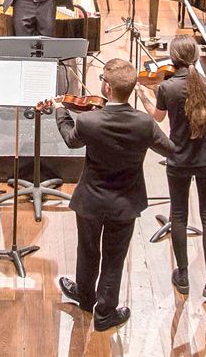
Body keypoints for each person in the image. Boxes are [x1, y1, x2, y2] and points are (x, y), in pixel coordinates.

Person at [53, 58, 175, 331]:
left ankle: (85, 297)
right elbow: (169, 150)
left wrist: (61, 112)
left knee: (87, 250)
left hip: (91, 199)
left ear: (107, 88)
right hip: (125, 202)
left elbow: (70, 139)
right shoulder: (144, 124)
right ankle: (105, 313)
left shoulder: (88, 120)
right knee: (114, 256)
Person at [136, 36, 206, 301]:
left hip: (178, 160)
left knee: (179, 216)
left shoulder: (167, 88)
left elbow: (157, 118)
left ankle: (182, 275)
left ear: (173, 58)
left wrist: (144, 96)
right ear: (195, 57)